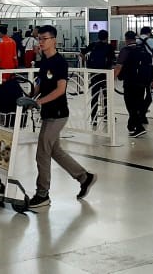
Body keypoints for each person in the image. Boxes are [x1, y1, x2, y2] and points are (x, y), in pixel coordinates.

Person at [24, 25, 96, 208]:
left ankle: (42, 194)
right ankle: (84, 177)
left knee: (42, 152)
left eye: (44, 39)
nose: (41, 42)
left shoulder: (59, 63)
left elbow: (60, 90)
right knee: (55, 150)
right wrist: (30, 97)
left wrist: (39, 102)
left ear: (54, 40)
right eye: (39, 39)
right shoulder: (44, 61)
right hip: (48, 113)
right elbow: (40, 84)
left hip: (57, 114)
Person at [115, 31, 152, 138]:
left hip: (130, 82)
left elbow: (119, 66)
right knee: (138, 103)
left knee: (130, 105)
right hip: (142, 82)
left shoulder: (125, 50)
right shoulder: (142, 49)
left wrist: (111, 78)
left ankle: (139, 127)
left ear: (126, 39)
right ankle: (131, 126)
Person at [81, 30, 115, 126]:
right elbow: (112, 61)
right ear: (107, 37)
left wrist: (87, 63)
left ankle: (94, 119)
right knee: (106, 96)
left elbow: (81, 53)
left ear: (98, 37)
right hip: (105, 75)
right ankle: (106, 116)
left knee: (94, 97)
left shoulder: (93, 45)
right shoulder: (109, 47)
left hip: (94, 74)